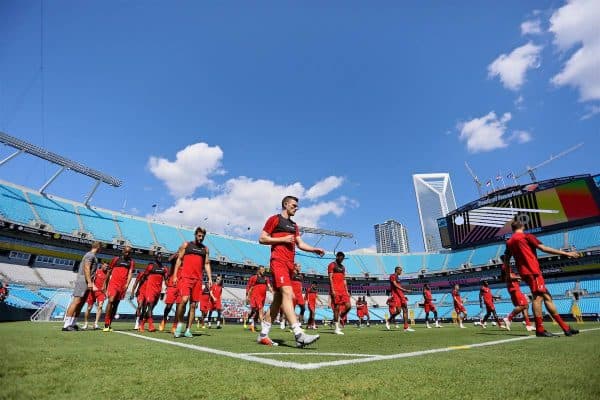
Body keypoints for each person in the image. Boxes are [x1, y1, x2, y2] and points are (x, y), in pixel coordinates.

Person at [257, 195, 324, 347]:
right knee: (288, 293)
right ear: (285, 204)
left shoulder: (294, 226)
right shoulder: (274, 219)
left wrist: (314, 249)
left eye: (297, 206)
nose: (296, 208)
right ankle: (299, 333)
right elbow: (262, 238)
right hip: (278, 262)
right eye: (294, 205)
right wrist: (282, 239)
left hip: (289, 266)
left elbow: (300, 243)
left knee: (278, 300)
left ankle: (263, 335)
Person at [503, 220, 580, 337]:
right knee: (538, 298)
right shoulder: (527, 236)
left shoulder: (509, 242)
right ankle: (539, 329)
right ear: (523, 226)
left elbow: (506, 259)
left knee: (547, 297)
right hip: (533, 271)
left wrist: (508, 276)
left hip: (524, 272)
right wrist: (567, 254)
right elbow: (543, 248)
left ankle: (565, 328)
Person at [172, 227, 213, 338]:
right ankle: (180, 323)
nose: (201, 238)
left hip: (198, 280)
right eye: (199, 236)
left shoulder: (205, 249)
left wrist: (210, 278)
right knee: (184, 300)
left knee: (193, 305)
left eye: (203, 236)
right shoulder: (186, 245)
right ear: (195, 235)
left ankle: (188, 330)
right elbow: (179, 259)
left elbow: (207, 264)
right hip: (186, 277)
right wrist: (175, 275)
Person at [63, 242, 101, 331]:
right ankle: (66, 324)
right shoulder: (89, 255)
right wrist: (89, 282)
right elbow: (86, 268)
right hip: (83, 281)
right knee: (76, 301)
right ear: (98, 247)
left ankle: (73, 323)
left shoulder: (93, 256)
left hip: (87, 281)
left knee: (81, 303)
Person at [102, 246, 135, 332]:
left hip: (122, 286)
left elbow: (130, 274)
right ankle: (106, 322)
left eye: (129, 252)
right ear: (123, 251)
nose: (127, 254)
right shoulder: (116, 259)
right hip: (114, 283)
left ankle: (110, 323)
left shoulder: (131, 262)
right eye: (126, 252)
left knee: (116, 304)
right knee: (111, 301)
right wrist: (105, 284)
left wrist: (127, 284)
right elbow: (109, 272)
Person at [500, 260, 534, 332]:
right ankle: (508, 318)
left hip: (513, 288)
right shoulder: (506, 266)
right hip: (514, 288)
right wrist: (519, 277)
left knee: (525, 306)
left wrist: (516, 279)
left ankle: (528, 325)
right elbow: (509, 277)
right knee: (523, 305)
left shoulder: (504, 267)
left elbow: (506, 278)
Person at [137, 253, 169, 332]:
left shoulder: (164, 268)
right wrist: (139, 288)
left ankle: (142, 324)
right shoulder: (151, 266)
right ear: (155, 258)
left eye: (161, 257)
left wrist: (168, 287)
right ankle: (151, 325)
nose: (159, 258)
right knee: (150, 306)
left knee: (151, 308)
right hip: (150, 289)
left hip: (158, 290)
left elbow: (166, 279)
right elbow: (144, 277)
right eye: (158, 257)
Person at [328, 252, 352, 335]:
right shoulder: (332, 265)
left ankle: (341, 316)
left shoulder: (343, 267)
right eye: (341, 258)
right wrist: (333, 290)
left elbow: (344, 279)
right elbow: (330, 278)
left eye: (343, 259)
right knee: (336, 308)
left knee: (349, 306)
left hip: (343, 290)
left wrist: (347, 290)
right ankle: (336, 328)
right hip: (336, 289)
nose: (342, 260)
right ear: (337, 257)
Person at [82, 260, 108, 330]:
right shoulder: (97, 271)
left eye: (107, 266)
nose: (106, 267)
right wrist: (93, 286)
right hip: (92, 292)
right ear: (102, 265)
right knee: (89, 308)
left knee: (100, 306)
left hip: (101, 293)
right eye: (105, 266)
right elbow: (90, 279)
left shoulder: (107, 274)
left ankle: (96, 323)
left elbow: (106, 283)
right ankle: (86, 323)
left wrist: (106, 292)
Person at [387, 266, 414, 332]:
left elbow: (398, 286)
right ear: (397, 270)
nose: (401, 272)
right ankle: (389, 320)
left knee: (405, 309)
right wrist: (405, 290)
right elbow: (395, 285)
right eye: (400, 270)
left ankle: (406, 327)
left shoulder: (398, 277)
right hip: (396, 295)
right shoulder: (392, 276)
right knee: (398, 311)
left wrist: (403, 292)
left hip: (401, 295)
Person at [246, 266, 272, 332]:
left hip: (263, 296)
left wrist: (272, 292)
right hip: (255, 296)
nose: (263, 271)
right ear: (258, 270)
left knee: (256, 311)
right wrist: (247, 296)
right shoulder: (254, 278)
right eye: (262, 270)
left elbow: (269, 286)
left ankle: (252, 324)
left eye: (264, 270)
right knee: (260, 310)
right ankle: (263, 327)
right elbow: (250, 287)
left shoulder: (266, 278)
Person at [159, 254, 180, 332]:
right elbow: (169, 259)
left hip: (181, 285)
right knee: (169, 306)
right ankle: (164, 319)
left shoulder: (187, 258)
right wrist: (177, 253)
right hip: (172, 284)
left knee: (179, 307)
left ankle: (175, 325)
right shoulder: (175, 258)